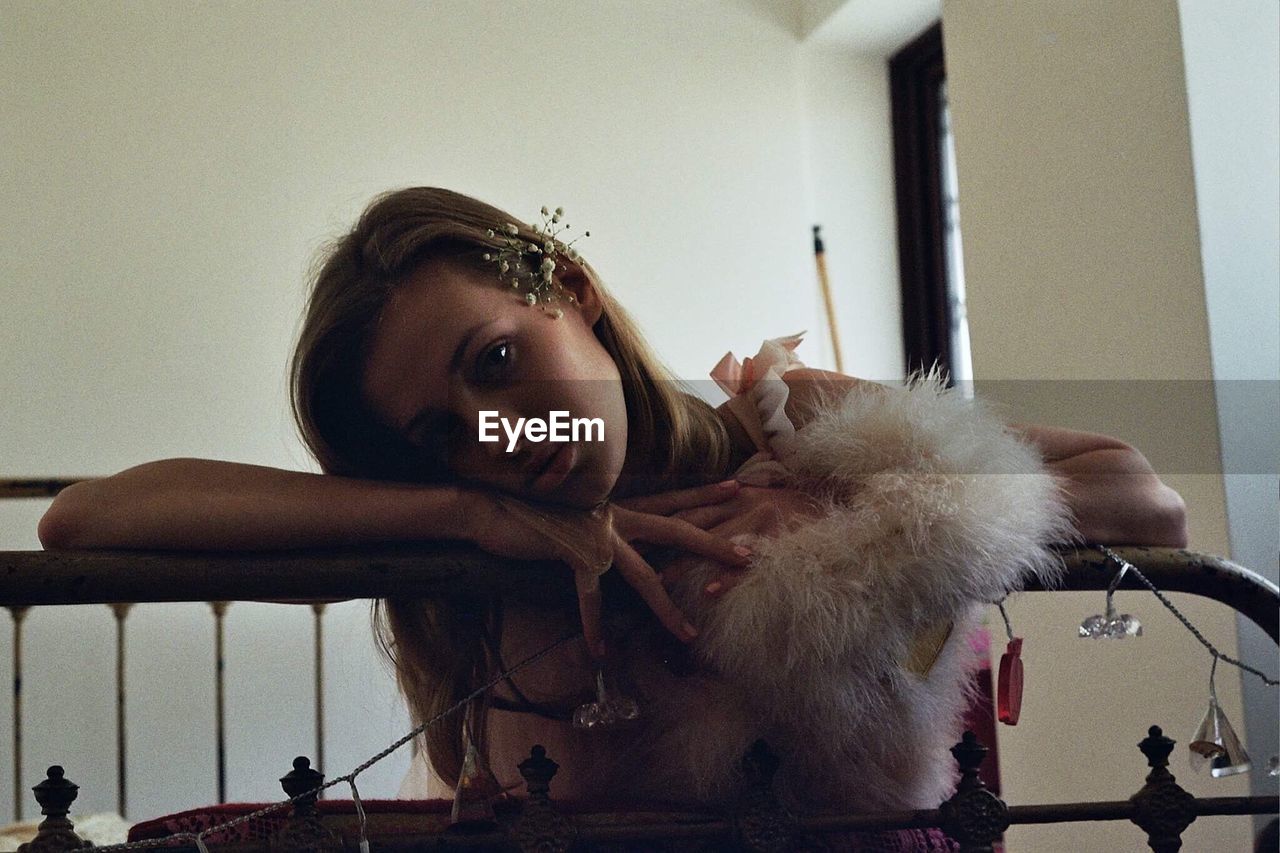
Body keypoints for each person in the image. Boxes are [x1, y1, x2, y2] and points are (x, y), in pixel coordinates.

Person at [38, 187, 1188, 813]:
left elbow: (1143, 500)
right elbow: (84, 521)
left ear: (575, 296)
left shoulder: (784, 427)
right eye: (438, 435)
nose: (496, 430)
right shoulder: (463, 542)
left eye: (495, 362)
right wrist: (466, 520)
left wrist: (883, 523)